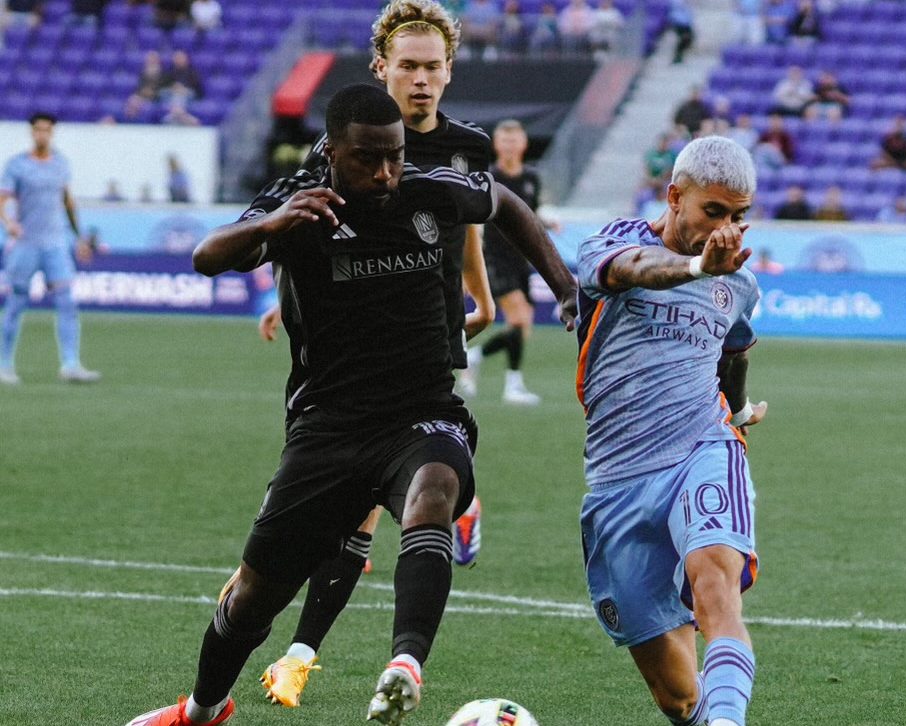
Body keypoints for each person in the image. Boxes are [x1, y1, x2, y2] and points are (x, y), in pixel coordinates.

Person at [123, 83, 578, 726]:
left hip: (420, 410)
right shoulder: (299, 203)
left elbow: (504, 205)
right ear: (332, 152)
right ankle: (200, 711)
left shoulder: (425, 187)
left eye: (394, 155)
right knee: (254, 598)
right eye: (369, 158)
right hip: (326, 429)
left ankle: (404, 667)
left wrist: (565, 292)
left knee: (436, 489)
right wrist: (274, 225)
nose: (387, 172)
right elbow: (207, 255)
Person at [244, 0, 577, 709]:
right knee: (349, 511)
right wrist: (286, 297)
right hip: (346, 346)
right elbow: (304, 227)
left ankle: (302, 654)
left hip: (423, 338)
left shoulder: (467, 145)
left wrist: (480, 297)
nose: (421, 80)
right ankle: (311, 638)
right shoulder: (341, 143)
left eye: (432, 68)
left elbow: (471, 226)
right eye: (409, 67)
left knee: (370, 501)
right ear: (381, 68)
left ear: (448, 71)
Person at [575, 135, 766, 726]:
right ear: (675, 195)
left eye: (739, 217)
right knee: (679, 697)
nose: (727, 230)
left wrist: (735, 414)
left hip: (702, 448)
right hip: (617, 479)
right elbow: (633, 270)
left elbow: (732, 353)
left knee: (715, 581)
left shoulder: (738, 283)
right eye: (714, 212)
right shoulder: (611, 245)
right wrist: (693, 267)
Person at [0, 112, 101, 385]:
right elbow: (3, 199)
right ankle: (4, 365)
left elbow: (67, 202)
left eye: (46, 130)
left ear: (52, 133)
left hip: (55, 243)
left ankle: (70, 365)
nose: (42, 134)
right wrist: (9, 222)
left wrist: (79, 237)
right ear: (31, 133)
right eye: (38, 130)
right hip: (26, 243)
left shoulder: (61, 164)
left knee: (67, 302)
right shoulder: (17, 166)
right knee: (16, 303)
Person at [460, 120, 555, 405]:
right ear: (496, 145)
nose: (511, 146)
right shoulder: (488, 179)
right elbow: (473, 223)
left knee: (522, 328)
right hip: (495, 258)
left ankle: (474, 356)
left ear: (524, 144)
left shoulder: (531, 178)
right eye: (505, 141)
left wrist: (546, 222)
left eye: (515, 140)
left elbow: (529, 215)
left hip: (521, 259)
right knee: (517, 319)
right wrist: (468, 268)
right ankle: (512, 386)